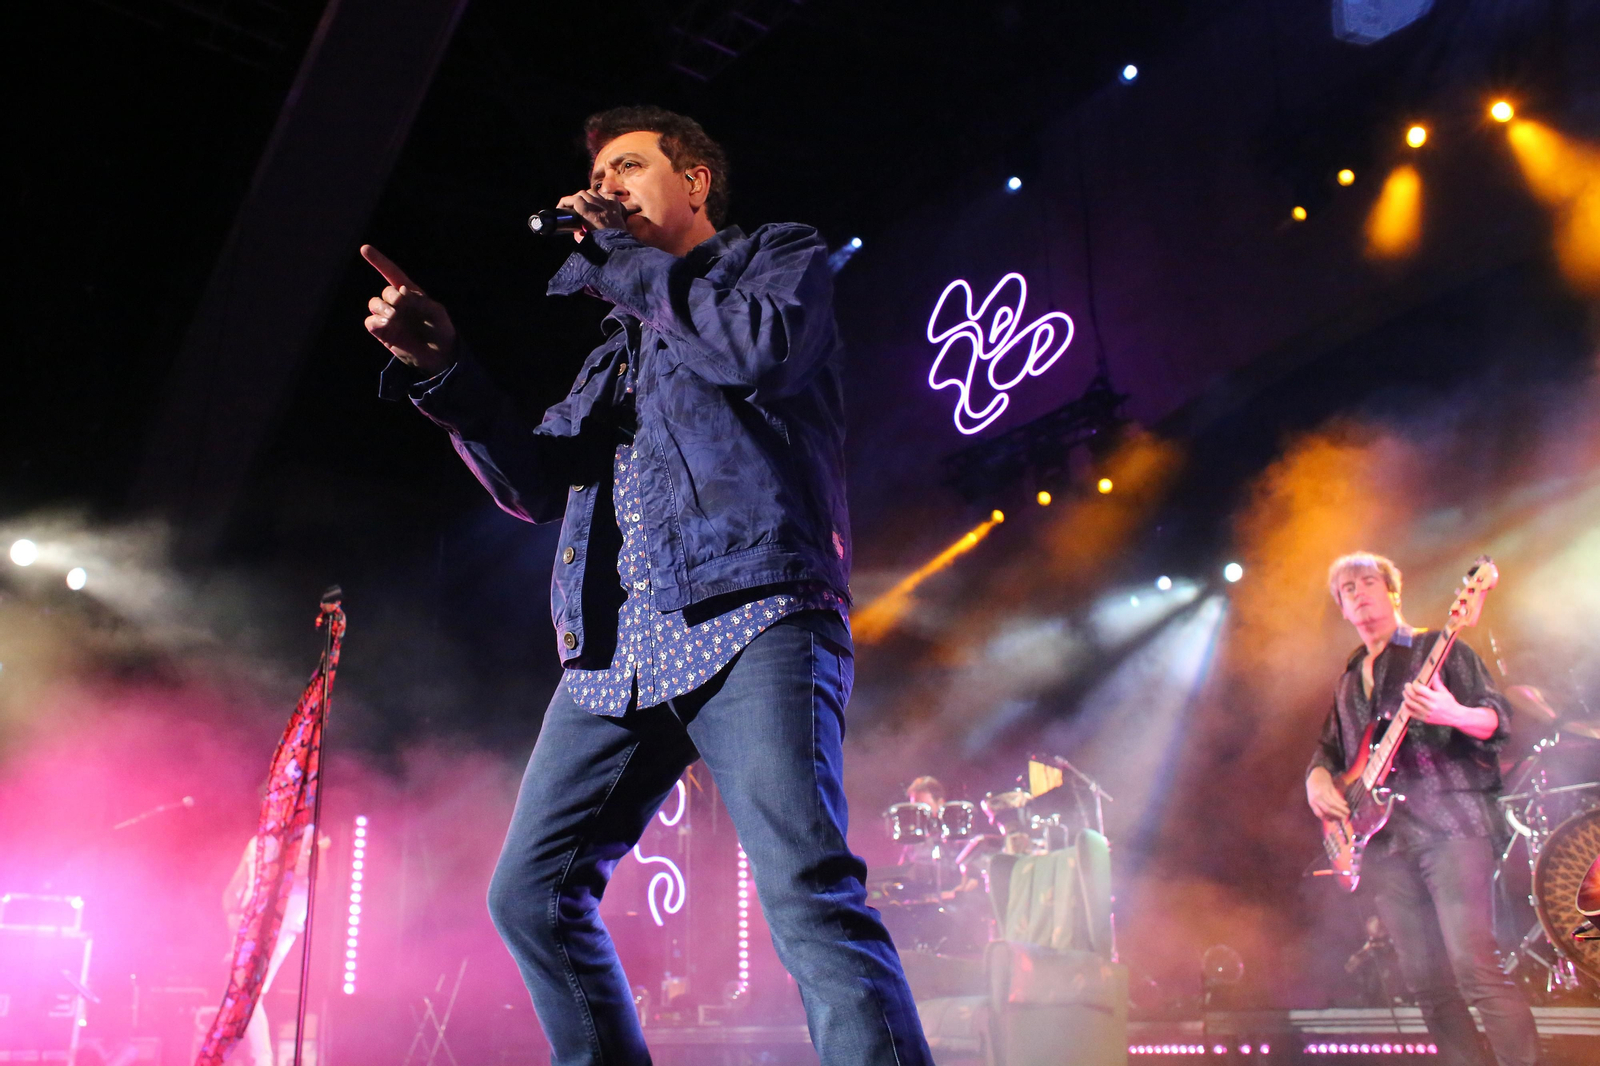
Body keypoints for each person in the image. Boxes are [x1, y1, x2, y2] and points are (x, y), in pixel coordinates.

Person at [360, 106, 932, 1066]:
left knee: (804, 887)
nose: (607, 185)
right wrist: (446, 369)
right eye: (598, 173)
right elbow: (536, 488)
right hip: (621, 647)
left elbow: (758, 351)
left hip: (754, 612)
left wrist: (616, 257)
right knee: (530, 896)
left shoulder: (776, 260)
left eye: (629, 166)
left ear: (696, 181)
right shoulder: (613, 352)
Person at [1306, 552, 1538, 1066]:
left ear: (1393, 593)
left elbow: (1497, 719)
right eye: (1348, 589)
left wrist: (1455, 713)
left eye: (1369, 583)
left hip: (1451, 826)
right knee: (1428, 986)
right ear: (1341, 607)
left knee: (1474, 967)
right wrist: (1315, 780)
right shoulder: (1348, 681)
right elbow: (1329, 751)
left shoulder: (1436, 646)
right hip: (1385, 845)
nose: (1360, 593)